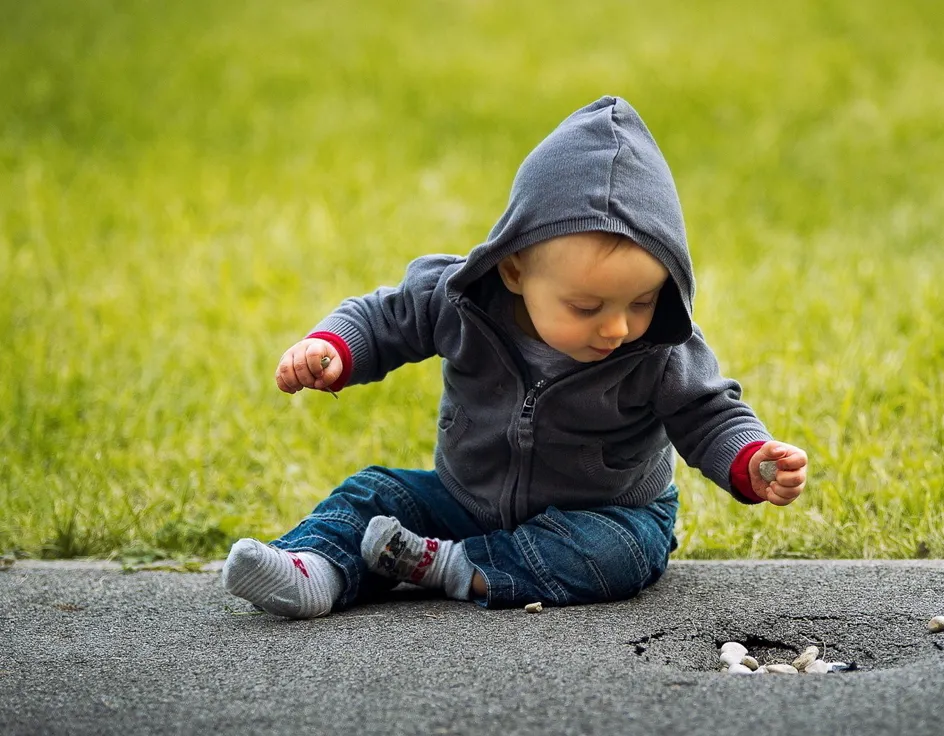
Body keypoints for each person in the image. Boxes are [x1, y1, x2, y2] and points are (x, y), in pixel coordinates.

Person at [221, 96, 809, 619]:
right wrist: (331, 348)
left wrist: (751, 459)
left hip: (606, 514)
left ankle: (454, 567)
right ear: (513, 268)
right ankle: (313, 568)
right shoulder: (459, 300)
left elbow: (709, 414)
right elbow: (383, 318)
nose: (617, 326)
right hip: (463, 499)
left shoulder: (658, 348)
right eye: (585, 305)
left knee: (615, 556)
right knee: (374, 495)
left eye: (643, 300)